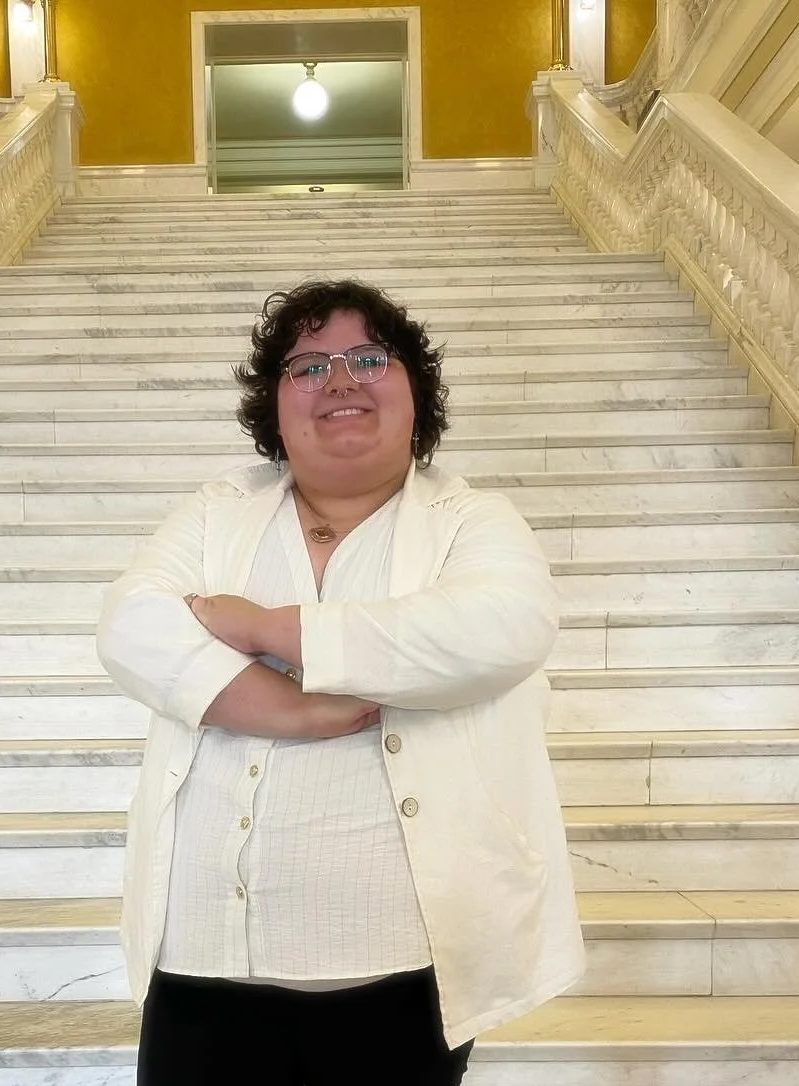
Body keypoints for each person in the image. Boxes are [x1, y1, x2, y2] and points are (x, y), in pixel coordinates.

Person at [96, 279, 584, 1086]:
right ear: (275, 407)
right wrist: (293, 711)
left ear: (415, 394)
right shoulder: (219, 512)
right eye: (308, 367)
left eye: (368, 358)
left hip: (402, 976)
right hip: (201, 965)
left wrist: (266, 628)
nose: (342, 380)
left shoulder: (471, 520)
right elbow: (131, 625)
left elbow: (501, 627)